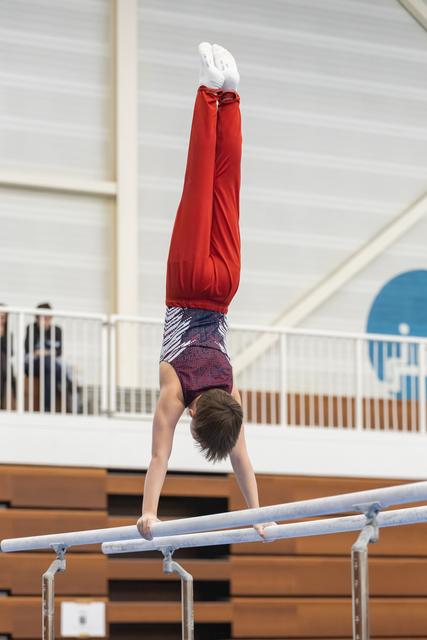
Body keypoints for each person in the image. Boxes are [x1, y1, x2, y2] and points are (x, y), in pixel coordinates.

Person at [137, 43, 267, 540]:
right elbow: (158, 457)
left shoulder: (231, 398)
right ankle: (208, 89)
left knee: (225, 190)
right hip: (187, 281)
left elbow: (244, 462)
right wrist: (150, 513)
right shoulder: (178, 393)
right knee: (198, 183)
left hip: (226, 286)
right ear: (195, 413)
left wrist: (260, 514)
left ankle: (229, 96)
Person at [24, 302, 68, 411]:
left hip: (49, 366)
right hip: (33, 365)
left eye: (49, 317)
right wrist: (47, 352)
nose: (47, 320)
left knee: (49, 371)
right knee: (47, 361)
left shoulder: (57, 330)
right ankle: (65, 379)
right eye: (44, 317)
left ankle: (47, 408)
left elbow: (59, 351)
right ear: (37, 317)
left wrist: (43, 352)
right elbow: (30, 350)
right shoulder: (31, 328)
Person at [0, 304, 16, 409]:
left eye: (3, 317)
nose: (1, 320)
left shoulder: (8, 334)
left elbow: (10, 352)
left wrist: (1, 335)